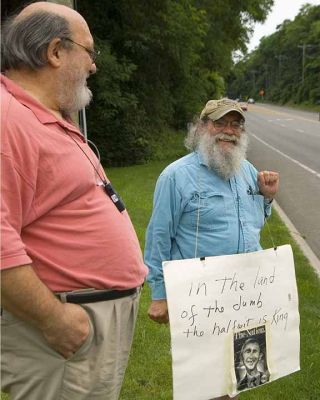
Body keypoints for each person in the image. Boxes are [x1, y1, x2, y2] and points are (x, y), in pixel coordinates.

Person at [1, 3, 147, 400]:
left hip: (89, 318)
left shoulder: (43, 116)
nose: (94, 66)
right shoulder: (7, 118)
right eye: (90, 52)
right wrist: (55, 320)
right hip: (64, 330)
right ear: (55, 51)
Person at [144, 98, 279, 400]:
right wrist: (159, 293)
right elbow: (158, 238)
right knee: (203, 385)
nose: (229, 131)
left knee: (238, 375)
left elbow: (252, 222)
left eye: (236, 125)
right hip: (200, 296)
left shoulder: (247, 172)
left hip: (245, 293)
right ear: (203, 126)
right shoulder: (176, 177)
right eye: (220, 123)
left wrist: (267, 199)